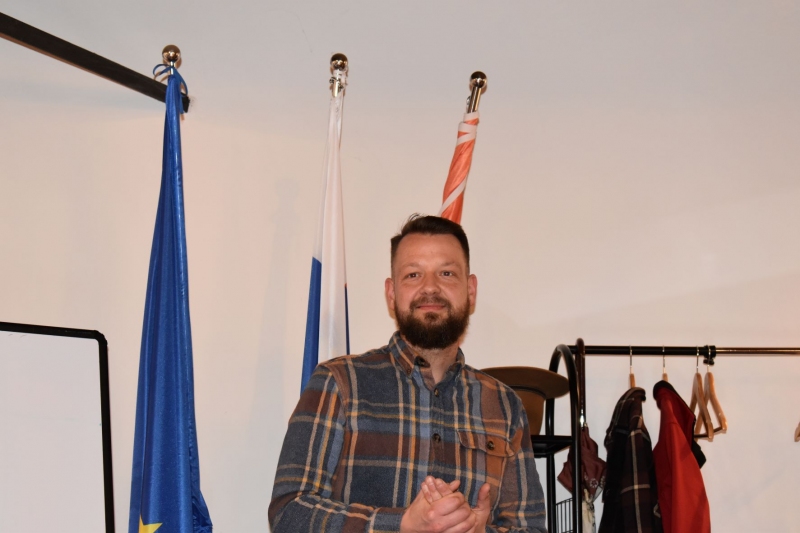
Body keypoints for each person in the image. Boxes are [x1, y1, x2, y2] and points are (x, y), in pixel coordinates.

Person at [269, 215, 547, 533]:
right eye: (413, 275)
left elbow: (531, 528)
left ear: (471, 290)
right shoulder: (339, 384)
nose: (430, 287)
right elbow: (288, 513)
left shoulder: (505, 406)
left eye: (446, 273)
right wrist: (401, 525)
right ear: (391, 293)